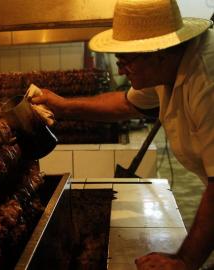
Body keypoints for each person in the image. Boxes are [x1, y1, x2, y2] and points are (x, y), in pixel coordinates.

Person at [31, 0, 214, 269]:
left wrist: (185, 260)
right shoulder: (167, 66)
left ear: (158, 52)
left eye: (126, 61)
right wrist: (63, 106)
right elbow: (126, 103)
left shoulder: (206, 80)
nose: (119, 71)